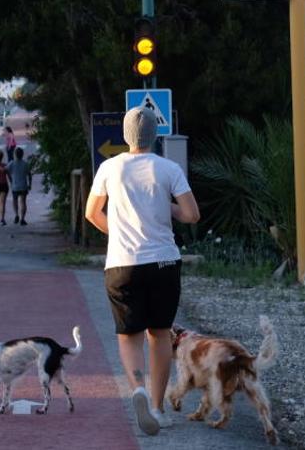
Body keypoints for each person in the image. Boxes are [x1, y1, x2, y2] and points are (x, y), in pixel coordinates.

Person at [85, 107, 200, 436]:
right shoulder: (168, 168)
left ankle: (136, 387)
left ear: (125, 135)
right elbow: (191, 214)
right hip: (163, 261)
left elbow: (92, 213)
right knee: (159, 334)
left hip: (122, 263)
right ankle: (157, 407)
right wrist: (168, 206)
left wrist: (119, 233)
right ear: (155, 134)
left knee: (128, 334)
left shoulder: (109, 167)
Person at [6, 147, 32, 225]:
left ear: (15, 155)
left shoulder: (12, 163)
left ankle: (16, 215)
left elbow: (5, 170)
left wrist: (10, 178)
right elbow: (29, 175)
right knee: (23, 202)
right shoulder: (25, 164)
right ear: (22, 155)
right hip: (23, 186)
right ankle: (22, 219)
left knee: (15, 201)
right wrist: (30, 184)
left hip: (15, 186)